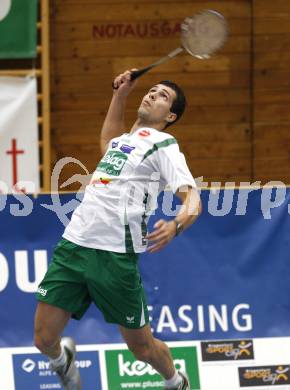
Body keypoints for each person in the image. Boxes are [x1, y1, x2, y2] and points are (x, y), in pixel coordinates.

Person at [34, 70, 202, 390]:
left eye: (162, 96)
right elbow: (107, 142)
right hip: (75, 244)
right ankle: (62, 361)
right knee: (43, 339)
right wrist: (120, 94)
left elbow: (192, 198)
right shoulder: (125, 141)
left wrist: (177, 224)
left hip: (115, 256)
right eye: (151, 90)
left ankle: (175, 381)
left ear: (170, 115)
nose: (152, 95)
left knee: (141, 349)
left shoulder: (163, 143)